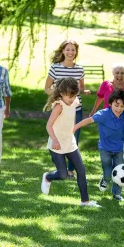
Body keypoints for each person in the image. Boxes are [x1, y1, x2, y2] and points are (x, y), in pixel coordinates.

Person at [41, 77, 101, 208]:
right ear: (62, 94)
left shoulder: (75, 102)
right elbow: (49, 126)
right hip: (57, 144)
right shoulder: (58, 106)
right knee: (62, 175)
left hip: (70, 142)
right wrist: (55, 140)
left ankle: (85, 201)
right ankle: (48, 177)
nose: (72, 99)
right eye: (70, 97)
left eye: (74, 96)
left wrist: (72, 131)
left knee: (81, 170)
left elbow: (70, 119)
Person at [44, 39, 90, 179]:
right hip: (60, 109)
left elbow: (79, 88)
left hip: (76, 108)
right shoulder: (55, 68)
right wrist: (57, 95)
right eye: (68, 49)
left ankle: (70, 171)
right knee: (58, 134)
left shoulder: (80, 69)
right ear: (63, 51)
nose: (71, 52)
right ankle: (60, 166)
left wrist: (84, 91)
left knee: (73, 137)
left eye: (73, 50)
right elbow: (47, 88)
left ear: (76, 52)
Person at [90, 63, 124, 156]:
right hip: (107, 122)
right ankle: (107, 168)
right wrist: (93, 111)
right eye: (117, 73)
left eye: (122, 73)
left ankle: (118, 168)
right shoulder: (105, 84)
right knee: (105, 149)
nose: (119, 75)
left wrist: (119, 109)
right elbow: (100, 97)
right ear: (113, 73)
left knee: (121, 150)